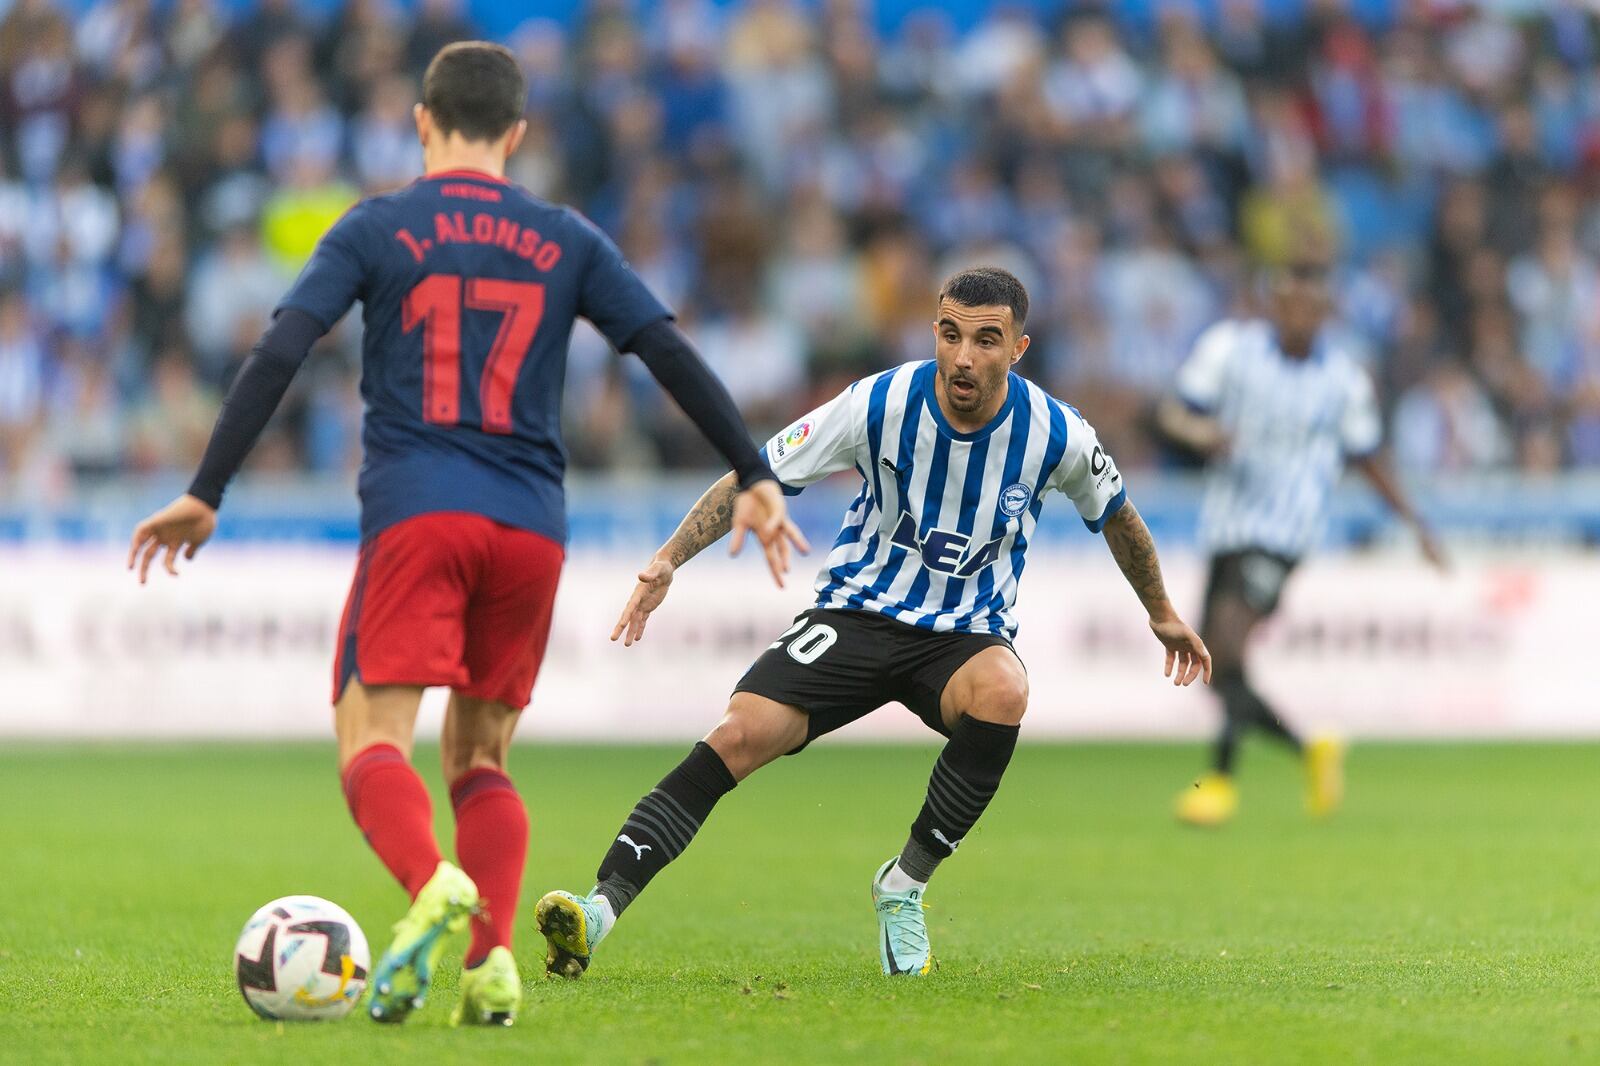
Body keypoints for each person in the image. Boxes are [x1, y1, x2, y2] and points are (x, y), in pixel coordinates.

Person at [126, 42, 803, 1027]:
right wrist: (753, 471)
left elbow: (283, 343)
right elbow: (663, 345)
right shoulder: (564, 237)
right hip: (532, 527)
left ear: (420, 121)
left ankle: (432, 882)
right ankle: (489, 967)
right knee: (481, 760)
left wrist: (206, 487)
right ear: (517, 135)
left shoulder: (379, 225)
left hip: (418, 509)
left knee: (370, 739)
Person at [533, 267, 1211, 979]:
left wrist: (1161, 612)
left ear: (1018, 348)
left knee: (1004, 691)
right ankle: (598, 910)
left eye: (986, 340)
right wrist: (670, 557)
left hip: (963, 634)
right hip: (856, 613)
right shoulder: (880, 401)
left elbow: (1120, 518)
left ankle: (904, 885)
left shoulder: (1057, 434)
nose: (963, 357)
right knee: (736, 735)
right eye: (950, 335)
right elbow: (758, 472)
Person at [1157, 255, 1447, 828]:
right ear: (1273, 301)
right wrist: (1200, 433)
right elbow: (1173, 413)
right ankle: (1309, 750)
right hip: (1226, 527)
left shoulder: (1343, 380)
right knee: (1214, 661)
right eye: (1288, 299)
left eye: (1310, 303)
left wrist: (1417, 526)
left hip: (1284, 534)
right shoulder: (1229, 351)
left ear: (1324, 311)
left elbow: (1369, 458)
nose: (1297, 312)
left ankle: (1219, 783)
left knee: (1227, 648)